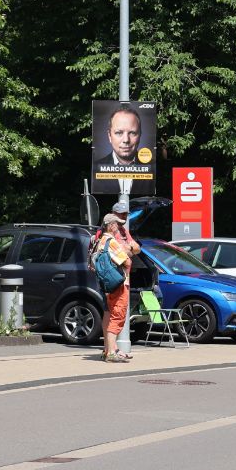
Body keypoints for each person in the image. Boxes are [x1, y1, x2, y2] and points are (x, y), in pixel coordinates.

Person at [98, 212, 138, 361]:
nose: (118, 226)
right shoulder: (112, 242)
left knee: (112, 316)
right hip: (119, 283)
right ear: (111, 225)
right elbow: (126, 262)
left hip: (107, 284)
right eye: (116, 223)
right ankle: (111, 354)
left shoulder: (100, 241)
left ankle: (108, 350)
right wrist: (128, 255)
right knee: (118, 316)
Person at [93, 103, 149, 195]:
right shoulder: (96, 168)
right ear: (109, 136)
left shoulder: (151, 168)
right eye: (119, 133)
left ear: (140, 135)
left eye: (132, 133)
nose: (126, 140)